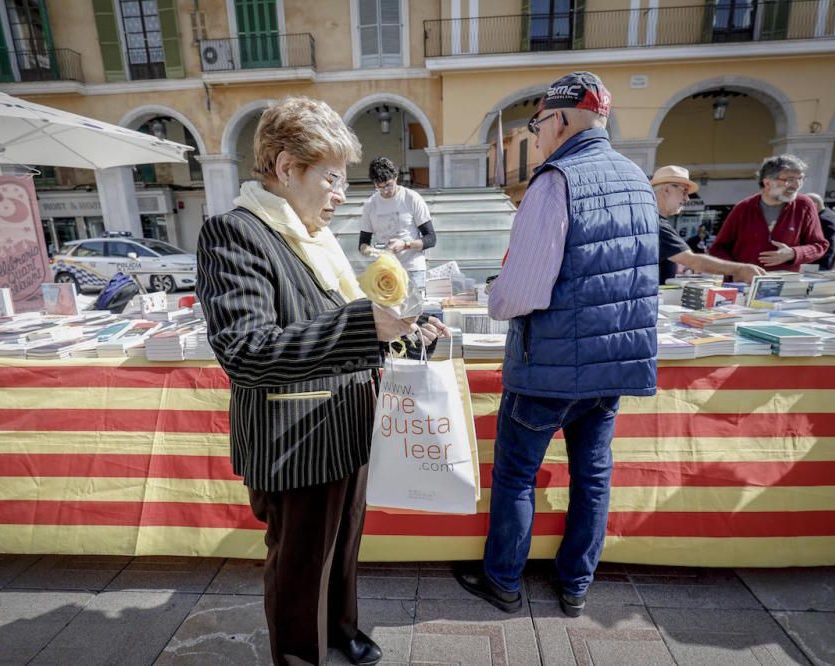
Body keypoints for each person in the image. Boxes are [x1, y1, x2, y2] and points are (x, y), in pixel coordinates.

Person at [196, 97, 447, 666]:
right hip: (296, 438)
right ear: (286, 168)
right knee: (301, 563)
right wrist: (365, 323)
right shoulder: (236, 233)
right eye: (331, 178)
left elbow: (349, 328)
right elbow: (245, 351)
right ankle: (300, 655)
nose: (341, 194)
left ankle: (340, 629)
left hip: (347, 426)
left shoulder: (315, 237)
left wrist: (408, 333)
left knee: (343, 547)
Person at [453, 72, 658, 619]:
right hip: (610, 365)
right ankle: (575, 585)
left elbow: (520, 292)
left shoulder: (555, 180)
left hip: (548, 366)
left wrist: (494, 299)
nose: (536, 133)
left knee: (516, 474)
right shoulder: (637, 178)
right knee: (593, 475)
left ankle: (502, 581)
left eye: (538, 123)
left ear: (562, 119)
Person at [708, 154, 829, 271]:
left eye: (801, 178)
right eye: (790, 180)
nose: (797, 185)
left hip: (786, 286)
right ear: (767, 183)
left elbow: (819, 245)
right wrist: (736, 271)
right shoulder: (743, 208)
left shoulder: (804, 205)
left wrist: (793, 253)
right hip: (745, 285)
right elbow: (718, 248)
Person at [650, 165, 765, 284]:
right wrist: (740, 269)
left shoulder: (651, 219)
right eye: (684, 191)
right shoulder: (657, 224)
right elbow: (693, 261)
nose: (687, 198)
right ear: (666, 190)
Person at [358, 157, 436, 293]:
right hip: (385, 270)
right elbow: (363, 244)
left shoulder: (411, 198)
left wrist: (405, 245)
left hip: (412, 269)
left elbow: (431, 238)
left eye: (388, 185)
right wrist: (374, 250)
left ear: (396, 177)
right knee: (388, 313)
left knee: (414, 312)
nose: (385, 191)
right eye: (379, 187)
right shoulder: (370, 205)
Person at [805, 193, 835, 270]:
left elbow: (828, 247)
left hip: (819, 267)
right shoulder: (833, 216)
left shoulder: (823, 219)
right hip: (826, 265)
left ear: (814, 205)